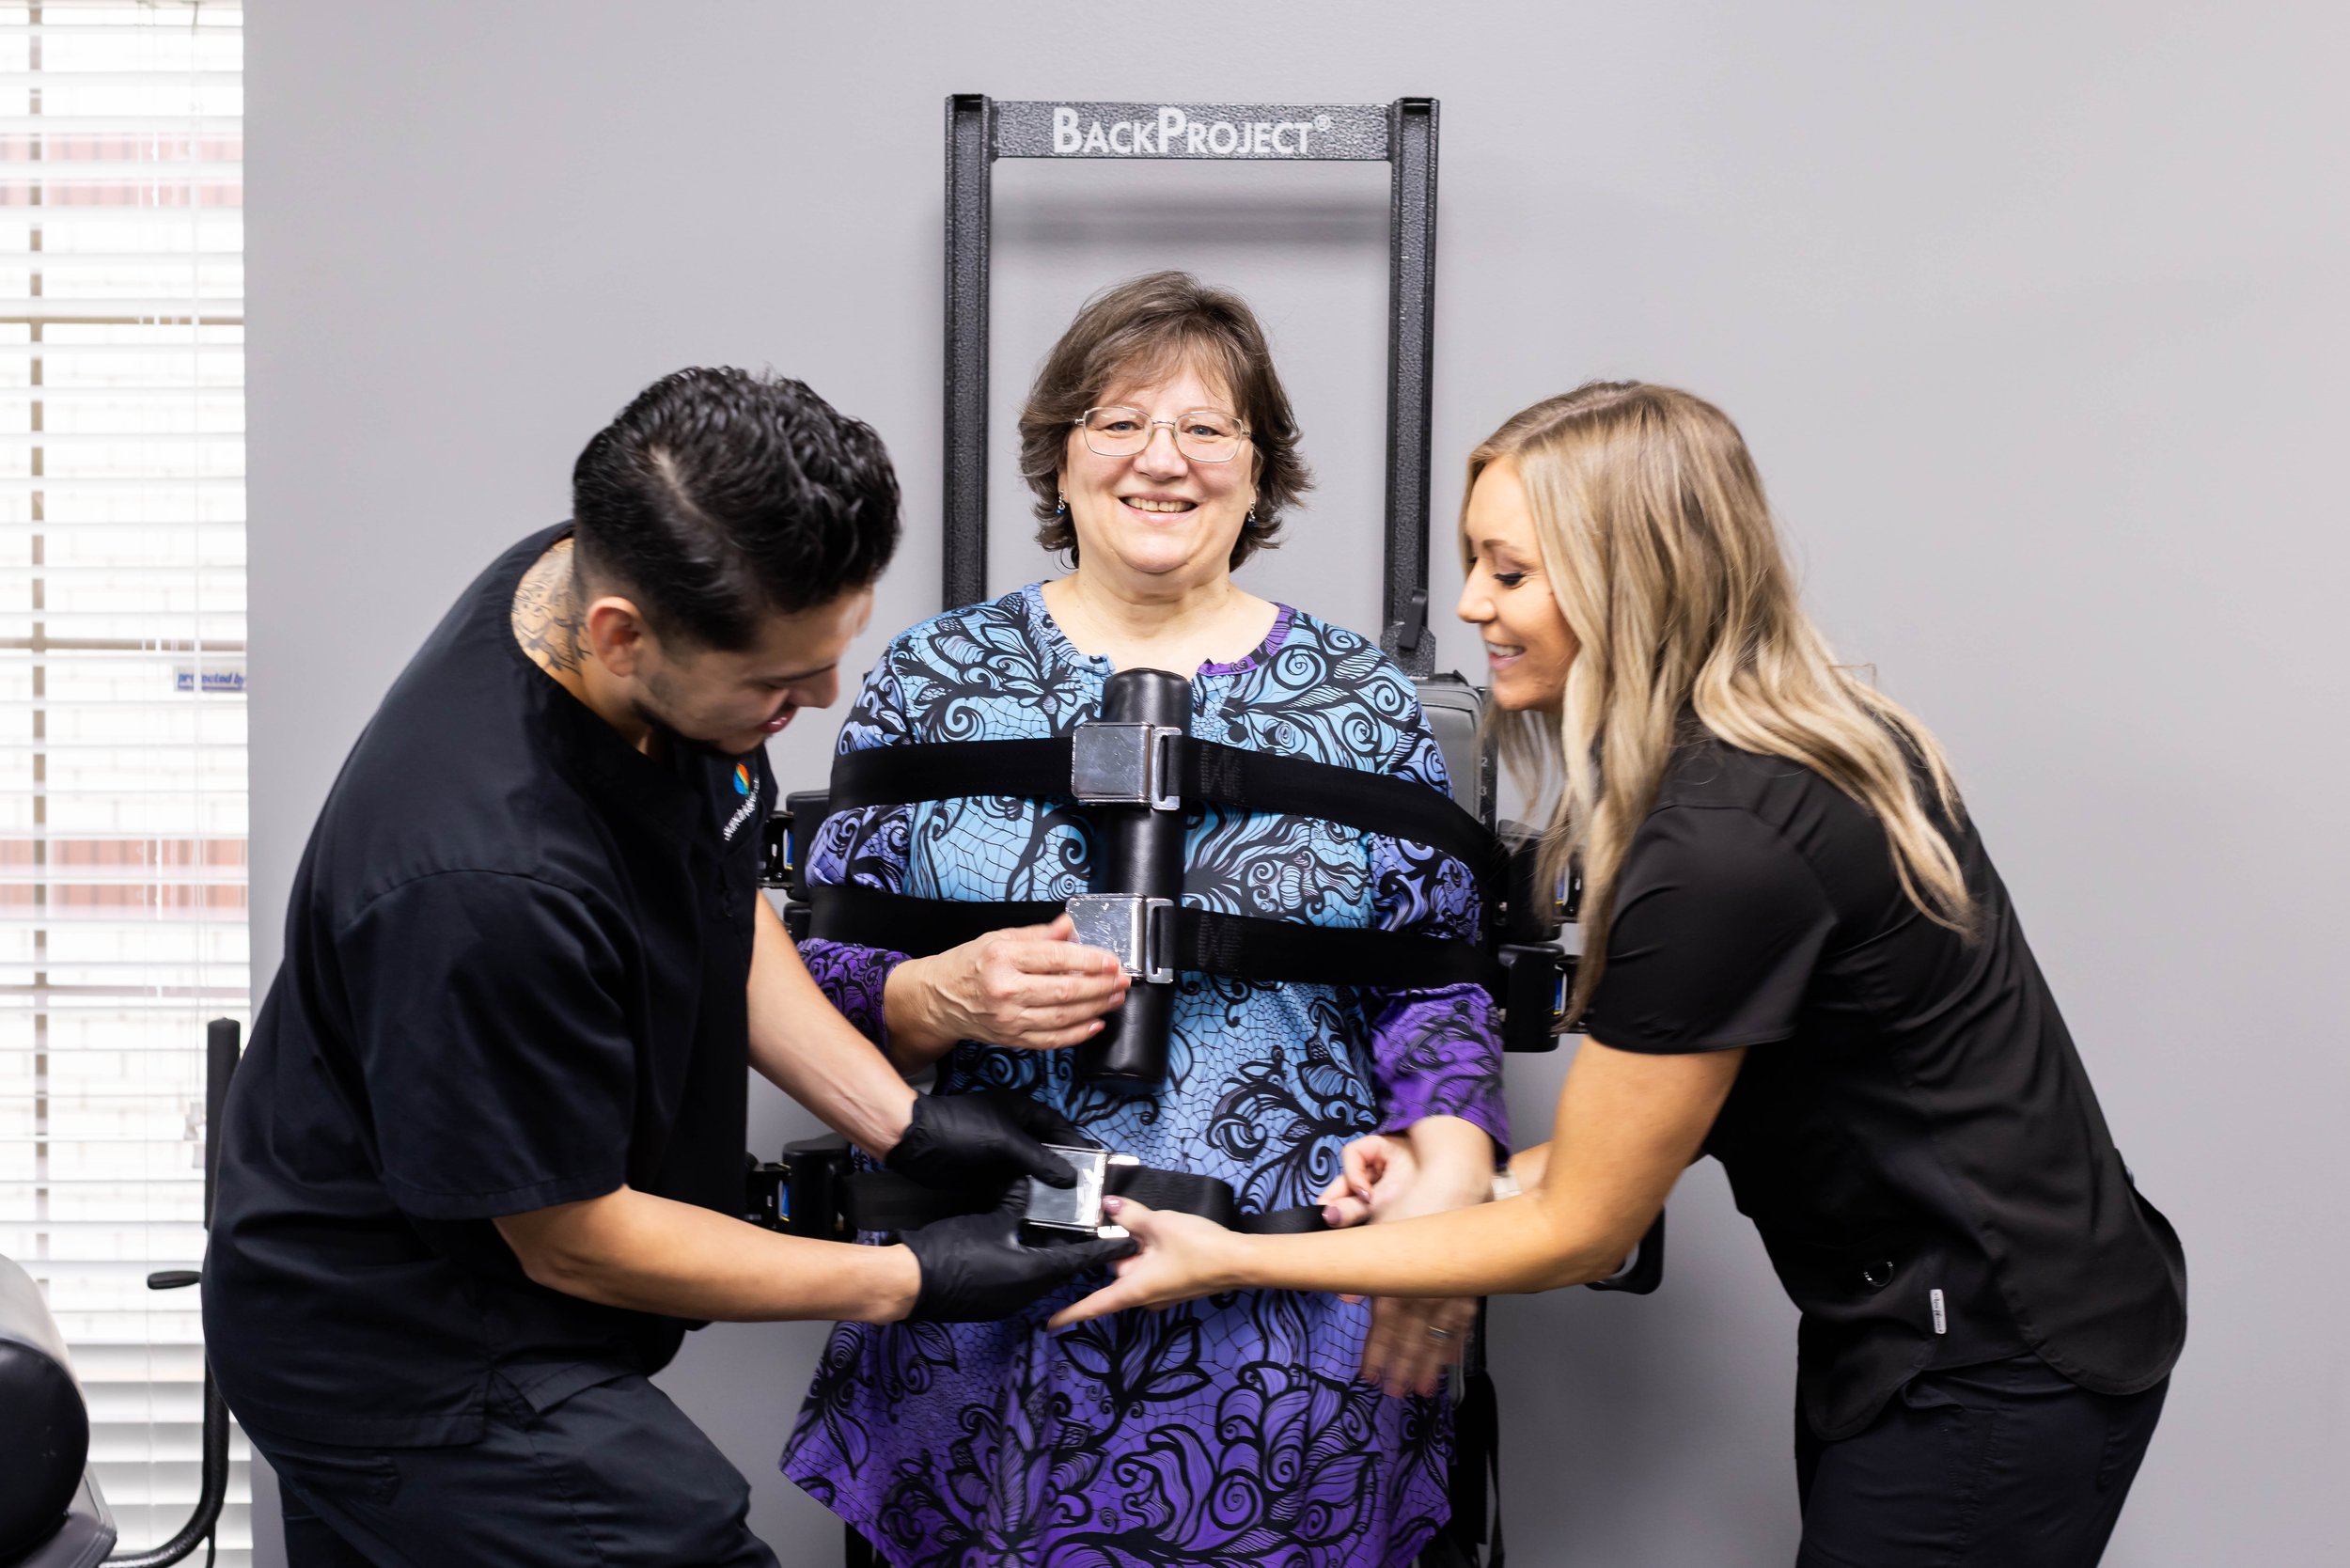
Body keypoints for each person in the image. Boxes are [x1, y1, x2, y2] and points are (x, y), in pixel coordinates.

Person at [1056, 383, 2189, 1567]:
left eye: (1510, 572)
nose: (1470, 605)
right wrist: (1476, 1184)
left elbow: (1585, 1232)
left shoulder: (1722, 844)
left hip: (1992, 1353)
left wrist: (1233, 1257)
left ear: (1624, 581)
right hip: (1955, 1318)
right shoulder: (1796, 743)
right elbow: (1684, 1101)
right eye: (1473, 564)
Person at [203, 368, 1129, 1568]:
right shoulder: (482, 880)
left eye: (829, 656)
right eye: (776, 686)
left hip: (478, 1301)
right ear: (620, 638)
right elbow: (571, 1238)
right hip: (405, 1353)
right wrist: (905, 1278)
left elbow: (712, 883)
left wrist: (902, 1120)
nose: (820, 698)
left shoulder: (597, 569)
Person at [780, 273, 1509, 1565]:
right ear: (1059, 455)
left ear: (1260, 467)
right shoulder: (931, 681)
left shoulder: (1365, 705)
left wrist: (1452, 1197)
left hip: (1284, 1321)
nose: (1160, 459)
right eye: (1117, 420)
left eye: (1208, 428)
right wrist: (929, 997)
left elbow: (1437, 998)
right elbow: (810, 980)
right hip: (992, 1304)